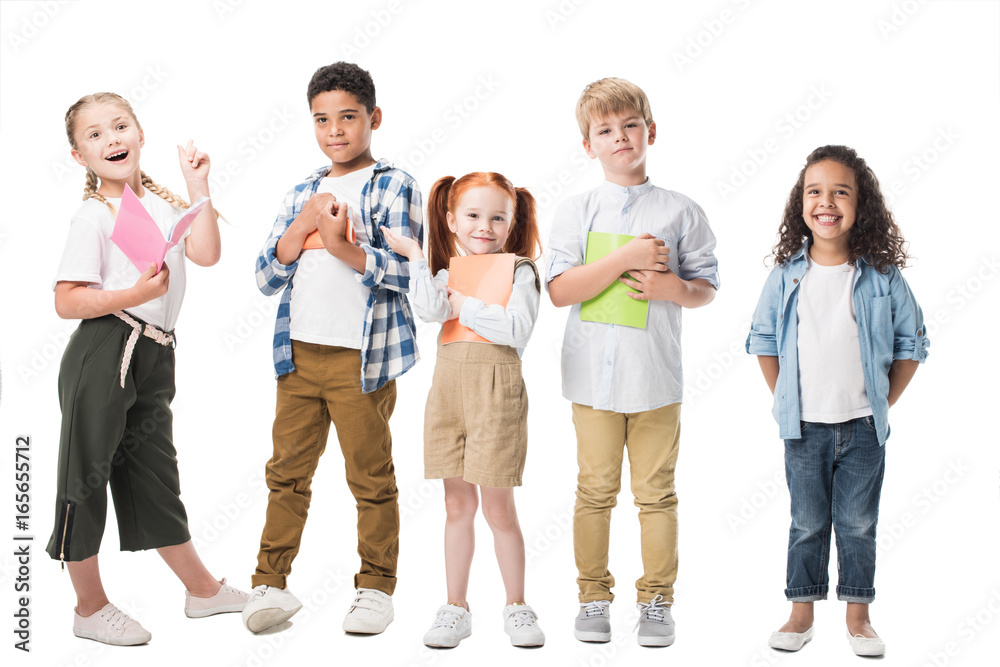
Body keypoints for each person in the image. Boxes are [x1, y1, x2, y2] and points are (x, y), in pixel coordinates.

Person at [47, 92, 246, 646]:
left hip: (155, 353)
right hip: (104, 350)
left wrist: (199, 186)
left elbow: (207, 255)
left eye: (120, 126)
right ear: (78, 155)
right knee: (84, 474)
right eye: (95, 134)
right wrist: (133, 292)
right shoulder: (93, 216)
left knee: (155, 473)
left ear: (140, 134)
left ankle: (202, 591)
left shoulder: (162, 205)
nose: (112, 139)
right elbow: (66, 301)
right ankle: (89, 607)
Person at [243, 62, 423, 636]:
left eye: (347, 117)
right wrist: (306, 225)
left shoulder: (395, 184)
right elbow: (268, 275)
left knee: (369, 476)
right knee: (286, 473)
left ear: (374, 118)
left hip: (360, 358)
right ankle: (269, 583)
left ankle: (375, 587)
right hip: (297, 355)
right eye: (322, 120)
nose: (335, 131)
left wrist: (341, 245)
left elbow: (409, 271)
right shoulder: (302, 190)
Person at [546, 77, 719, 647]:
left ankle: (656, 602)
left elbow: (705, 287)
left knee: (656, 493)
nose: (619, 137)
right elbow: (562, 290)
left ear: (651, 130)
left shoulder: (681, 210)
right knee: (594, 491)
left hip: (655, 379)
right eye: (604, 130)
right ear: (588, 145)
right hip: (591, 379)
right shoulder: (577, 210)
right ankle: (592, 595)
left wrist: (673, 288)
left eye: (630, 125)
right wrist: (626, 256)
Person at [746, 145, 928, 657]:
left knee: (858, 523)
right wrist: (786, 400)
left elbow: (911, 343)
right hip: (803, 427)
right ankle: (800, 611)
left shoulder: (883, 277)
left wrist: (881, 403)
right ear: (800, 204)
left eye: (840, 191)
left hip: (864, 427)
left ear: (860, 205)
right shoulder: (785, 276)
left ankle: (859, 617)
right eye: (814, 191)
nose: (826, 202)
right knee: (806, 522)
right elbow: (762, 341)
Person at [382, 171, 545, 648]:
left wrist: (461, 304)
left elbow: (515, 330)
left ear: (512, 222)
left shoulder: (520, 269)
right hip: (449, 392)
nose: (485, 227)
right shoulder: (444, 270)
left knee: (498, 508)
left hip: (496, 392)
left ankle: (517, 605)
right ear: (451, 220)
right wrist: (415, 258)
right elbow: (430, 310)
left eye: (498, 217)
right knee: (457, 505)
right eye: (473, 216)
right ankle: (456, 606)